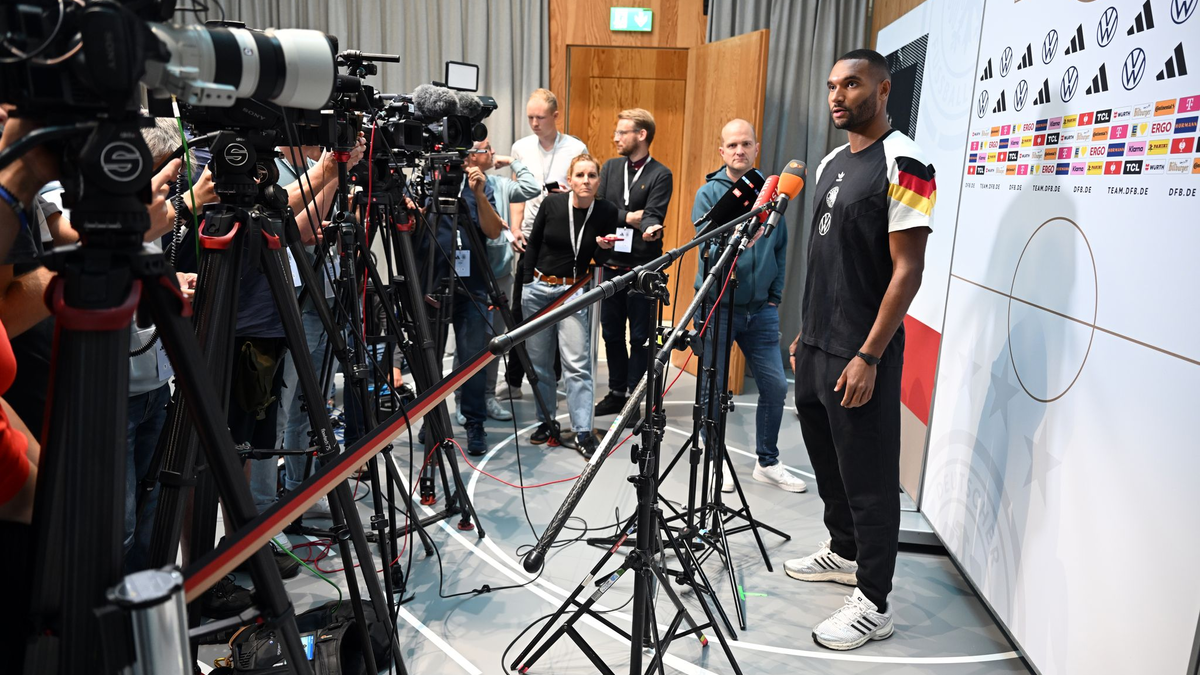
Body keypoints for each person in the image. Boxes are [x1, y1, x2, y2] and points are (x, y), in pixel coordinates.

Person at [785, 49, 936, 651]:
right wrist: (807, 331)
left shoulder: (910, 163)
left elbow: (908, 271)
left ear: (883, 88)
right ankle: (843, 550)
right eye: (831, 86)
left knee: (870, 479)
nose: (838, 96)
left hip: (861, 354)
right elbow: (826, 260)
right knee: (829, 467)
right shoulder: (825, 163)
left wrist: (869, 355)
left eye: (852, 84)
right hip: (818, 345)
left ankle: (875, 601)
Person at [691, 119, 807, 495]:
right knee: (711, 388)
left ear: (756, 148)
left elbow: (780, 247)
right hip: (718, 307)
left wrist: (774, 296)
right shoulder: (709, 194)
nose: (739, 150)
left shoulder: (774, 192)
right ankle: (713, 460)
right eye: (732, 145)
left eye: (746, 144)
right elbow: (705, 247)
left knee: (774, 386)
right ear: (721, 151)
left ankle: (767, 461)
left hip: (760, 311)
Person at [521, 154, 618, 459]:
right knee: (540, 364)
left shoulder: (606, 211)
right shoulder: (551, 204)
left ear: (598, 181)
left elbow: (600, 261)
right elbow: (533, 243)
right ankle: (545, 421)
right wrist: (525, 283)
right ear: (570, 179)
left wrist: (604, 249)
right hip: (538, 289)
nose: (586, 181)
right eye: (580, 175)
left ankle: (583, 431)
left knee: (577, 365)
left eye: (592, 175)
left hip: (574, 292)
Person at [500, 89, 588, 400]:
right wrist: (514, 228)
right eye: (530, 118)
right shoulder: (521, 147)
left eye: (540, 117)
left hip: (562, 238)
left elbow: (584, 190)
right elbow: (515, 191)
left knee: (557, 311)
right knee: (519, 312)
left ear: (555, 116)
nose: (534, 123)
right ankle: (513, 381)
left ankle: (551, 379)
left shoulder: (575, 147)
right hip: (528, 238)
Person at [419, 157, 506, 456]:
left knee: (472, 361)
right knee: (429, 360)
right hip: (432, 288)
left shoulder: (478, 186)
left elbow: (493, 231)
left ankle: (474, 424)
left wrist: (479, 195)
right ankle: (430, 420)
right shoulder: (424, 183)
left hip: (473, 288)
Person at [452, 137, 540, 423]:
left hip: (500, 274)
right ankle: (461, 399)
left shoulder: (499, 185)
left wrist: (511, 162)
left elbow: (532, 187)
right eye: (487, 149)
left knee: (495, 341)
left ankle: (487, 397)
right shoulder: (455, 187)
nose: (493, 152)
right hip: (470, 277)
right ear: (471, 156)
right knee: (466, 343)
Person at [594, 109, 673, 417]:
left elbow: (653, 213)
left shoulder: (660, 174)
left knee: (640, 337)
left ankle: (634, 397)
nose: (615, 137)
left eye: (622, 132)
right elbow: (601, 209)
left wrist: (650, 225)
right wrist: (628, 217)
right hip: (611, 267)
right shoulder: (611, 167)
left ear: (641, 135)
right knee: (611, 334)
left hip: (643, 270)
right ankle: (615, 392)